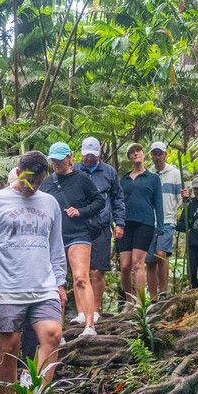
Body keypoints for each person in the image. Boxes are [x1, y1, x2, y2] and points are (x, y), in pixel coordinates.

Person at [0, 150, 67, 394]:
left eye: (39, 182)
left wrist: (60, 283)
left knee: (53, 335)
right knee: (9, 349)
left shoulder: (50, 203)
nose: (33, 187)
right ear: (19, 173)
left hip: (44, 286)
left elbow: (56, 247)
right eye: (29, 180)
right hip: (6, 287)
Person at [40, 141, 106, 336]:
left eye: (60, 160)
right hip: (54, 237)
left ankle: (90, 326)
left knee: (80, 278)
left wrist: (81, 211)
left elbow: (99, 201)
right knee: (55, 283)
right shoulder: (47, 183)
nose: (56, 164)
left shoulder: (81, 178)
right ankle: (57, 332)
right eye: (53, 160)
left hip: (78, 233)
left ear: (69, 158)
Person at [74, 136, 125, 322]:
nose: (89, 159)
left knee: (97, 270)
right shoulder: (75, 170)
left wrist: (120, 223)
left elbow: (118, 198)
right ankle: (81, 312)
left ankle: (94, 311)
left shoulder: (109, 172)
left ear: (99, 154)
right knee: (79, 272)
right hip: (79, 226)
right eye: (86, 155)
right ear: (81, 153)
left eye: (93, 155)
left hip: (101, 226)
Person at [118, 142, 164, 305]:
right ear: (129, 158)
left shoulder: (153, 178)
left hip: (144, 223)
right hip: (125, 225)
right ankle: (129, 302)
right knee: (125, 266)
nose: (136, 153)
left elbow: (158, 203)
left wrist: (160, 226)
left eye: (138, 151)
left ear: (144, 155)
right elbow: (118, 202)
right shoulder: (123, 180)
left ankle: (140, 303)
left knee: (138, 263)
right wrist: (116, 222)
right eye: (132, 152)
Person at [145, 141, 183, 299]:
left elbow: (180, 200)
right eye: (154, 154)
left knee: (161, 254)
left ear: (165, 154)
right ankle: (153, 298)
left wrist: (184, 199)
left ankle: (163, 293)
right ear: (151, 155)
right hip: (149, 221)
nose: (157, 157)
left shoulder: (175, 173)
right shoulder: (147, 173)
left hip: (167, 220)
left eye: (160, 153)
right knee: (150, 261)